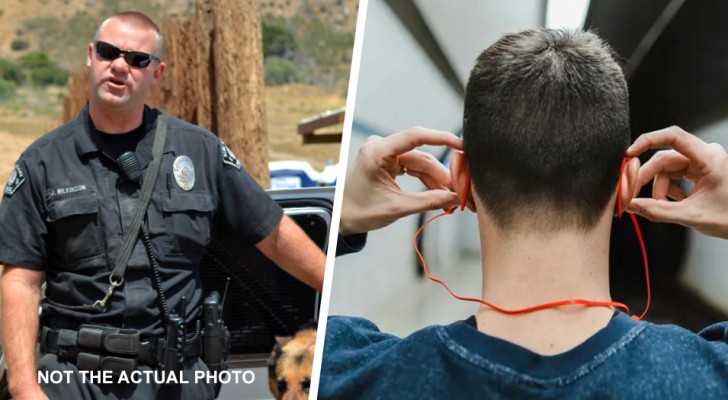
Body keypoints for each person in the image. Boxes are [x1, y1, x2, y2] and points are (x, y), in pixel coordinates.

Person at [320, 29, 728, 399]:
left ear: (460, 180)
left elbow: (286, 326)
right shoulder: (710, 377)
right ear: (626, 184)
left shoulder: (346, 376)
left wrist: (342, 220)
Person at [0, 11, 325, 400]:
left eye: (138, 60)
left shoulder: (199, 151)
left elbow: (272, 232)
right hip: (73, 379)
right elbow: (20, 278)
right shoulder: (42, 162)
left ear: (157, 73)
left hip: (176, 379)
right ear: (90, 56)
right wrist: (23, 386)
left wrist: (336, 287)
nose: (120, 66)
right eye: (108, 52)